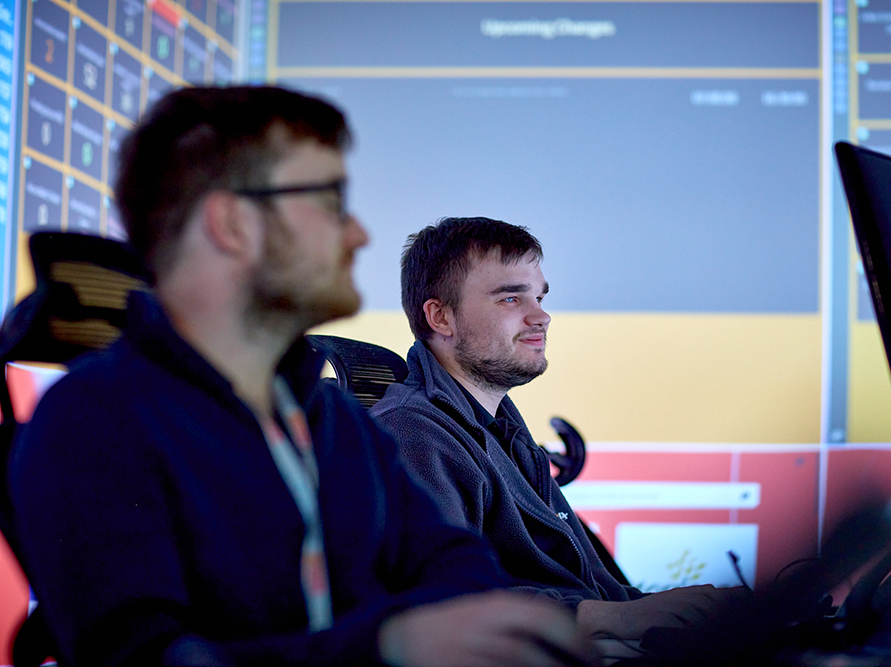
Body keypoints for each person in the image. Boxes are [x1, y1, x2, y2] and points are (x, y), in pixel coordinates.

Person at [7, 89, 597, 667]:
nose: (358, 234)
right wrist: (388, 646)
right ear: (233, 223)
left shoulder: (330, 419)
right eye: (331, 202)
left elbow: (450, 563)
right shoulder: (93, 422)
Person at [370, 217, 725, 641]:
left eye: (539, 297)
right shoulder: (411, 434)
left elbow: (592, 587)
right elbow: (441, 604)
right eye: (510, 299)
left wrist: (677, 615)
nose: (542, 316)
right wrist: (610, 619)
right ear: (440, 317)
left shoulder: (505, 433)